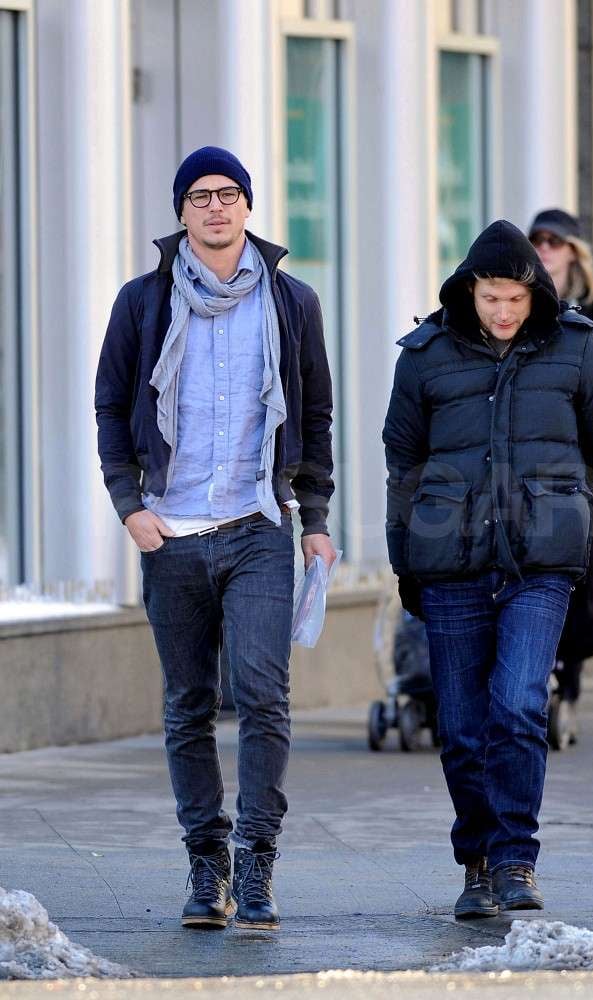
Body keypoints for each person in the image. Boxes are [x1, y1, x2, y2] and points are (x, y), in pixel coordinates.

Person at [383, 219, 593, 918]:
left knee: (518, 705)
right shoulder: (424, 356)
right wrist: (403, 558)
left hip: (543, 562)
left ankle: (514, 860)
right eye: (491, 299)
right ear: (470, 291)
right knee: (462, 725)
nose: (503, 312)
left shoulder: (576, 348)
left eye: (514, 298)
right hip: (452, 562)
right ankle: (475, 862)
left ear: (534, 291)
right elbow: (403, 467)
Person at [96, 146, 336, 931]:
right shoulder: (142, 303)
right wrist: (129, 505)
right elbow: (109, 409)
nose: (215, 207)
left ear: (248, 206)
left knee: (264, 695)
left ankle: (256, 863)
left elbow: (315, 420)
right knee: (187, 705)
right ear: (181, 212)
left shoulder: (293, 304)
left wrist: (318, 519)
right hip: (172, 532)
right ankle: (207, 862)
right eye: (199, 195)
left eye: (228, 193)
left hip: (259, 526)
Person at [528, 209, 593, 740]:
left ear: (574, 251)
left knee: (581, 578)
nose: (544, 248)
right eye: (537, 240)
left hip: (585, 476)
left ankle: (567, 688)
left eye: (555, 241)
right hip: (528, 473)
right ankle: (537, 683)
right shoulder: (519, 307)